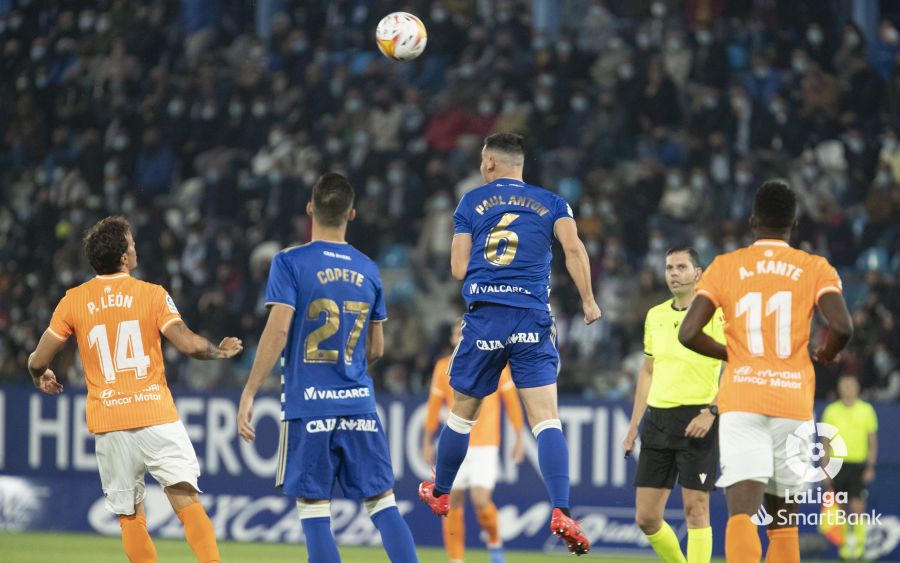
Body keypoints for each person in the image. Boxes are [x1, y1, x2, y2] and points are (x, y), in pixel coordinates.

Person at [417, 132, 602, 556]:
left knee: (461, 417)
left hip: (486, 320)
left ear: (489, 165)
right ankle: (561, 510)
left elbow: (459, 269)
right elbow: (574, 249)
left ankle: (441, 491)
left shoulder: (470, 202)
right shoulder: (554, 202)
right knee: (547, 422)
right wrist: (589, 301)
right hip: (533, 319)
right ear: (521, 165)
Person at [28, 216, 243, 563]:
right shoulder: (152, 295)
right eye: (131, 242)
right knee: (186, 503)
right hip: (155, 414)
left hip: (110, 422)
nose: (135, 247)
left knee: (130, 517)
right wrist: (219, 350)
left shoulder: (73, 301)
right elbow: (189, 345)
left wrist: (39, 375)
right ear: (124, 257)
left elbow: (39, 359)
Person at [236, 172, 418, 563]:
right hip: (359, 406)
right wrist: (347, 369)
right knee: (383, 504)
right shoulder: (369, 268)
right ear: (351, 214)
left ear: (309, 209)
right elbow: (378, 348)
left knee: (315, 511)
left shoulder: (289, 262)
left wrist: (250, 390)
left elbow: (278, 330)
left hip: (309, 407)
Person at [679, 180, 853, 563]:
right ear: (793, 222)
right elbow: (842, 327)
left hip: (742, 399)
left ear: (753, 220)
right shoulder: (814, 267)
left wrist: (734, 354)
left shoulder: (726, 266)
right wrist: (825, 353)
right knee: (784, 523)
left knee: (742, 513)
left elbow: (688, 333)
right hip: (792, 402)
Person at [623, 247, 724, 563]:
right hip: (658, 421)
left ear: (698, 273)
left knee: (696, 509)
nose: (674, 273)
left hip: (699, 417)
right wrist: (632, 427)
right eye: (669, 267)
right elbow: (648, 371)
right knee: (647, 517)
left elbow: (735, 365)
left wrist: (712, 411)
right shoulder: (656, 315)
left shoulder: (717, 314)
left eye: (681, 267)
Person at [422, 323, 525, 563]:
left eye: (463, 332)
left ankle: (495, 542)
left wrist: (519, 438)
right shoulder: (442, 367)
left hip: (485, 443)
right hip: (456, 443)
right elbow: (433, 407)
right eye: (456, 332)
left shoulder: (495, 361)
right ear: (451, 338)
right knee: (451, 502)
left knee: (480, 500)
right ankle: (456, 559)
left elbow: (512, 402)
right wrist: (426, 440)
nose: (460, 336)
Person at [822, 374, 879, 560]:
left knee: (857, 506)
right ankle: (845, 549)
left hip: (857, 465)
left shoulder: (867, 410)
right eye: (843, 385)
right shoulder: (831, 410)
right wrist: (825, 468)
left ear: (857, 388)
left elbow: (872, 442)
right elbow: (825, 443)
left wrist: (870, 467)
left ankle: (860, 549)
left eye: (850, 384)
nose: (847, 388)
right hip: (837, 465)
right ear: (839, 388)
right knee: (839, 508)